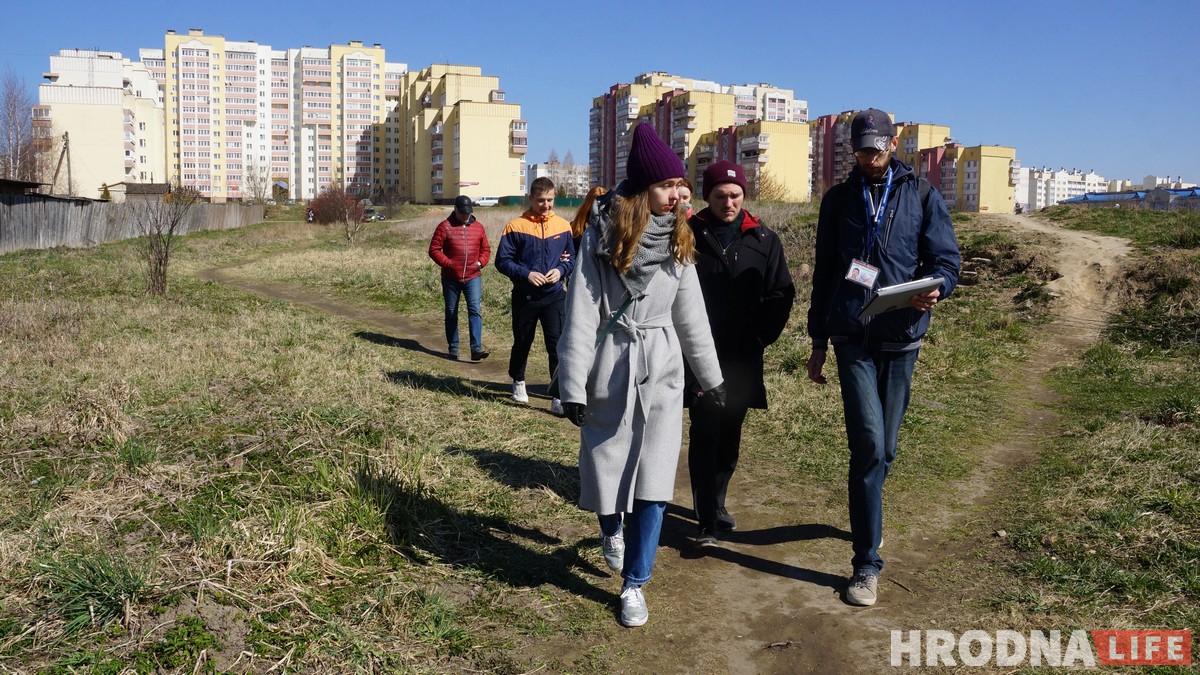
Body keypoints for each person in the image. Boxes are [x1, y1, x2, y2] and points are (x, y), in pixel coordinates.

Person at [557, 123, 725, 628]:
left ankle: (635, 584)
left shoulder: (679, 237)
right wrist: (572, 384)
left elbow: (691, 314)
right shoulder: (600, 238)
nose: (678, 194)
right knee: (605, 472)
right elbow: (582, 311)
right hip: (611, 364)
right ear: (642, 189)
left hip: (662, 372)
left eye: (681, 187)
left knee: (653, 484)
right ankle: (610, 527)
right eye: (668, 186)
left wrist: (711, 379)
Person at [806, 108, 960, 607]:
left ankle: (867, 507)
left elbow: (946, 262)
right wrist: (817, 343)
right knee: (869, 446)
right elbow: (827, 273)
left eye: (878, 147)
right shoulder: (838, 200)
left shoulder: (922, 195)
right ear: (853, 149)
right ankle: (866, 562)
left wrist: (937, 289)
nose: (870, 156)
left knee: (886, 449)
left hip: (902, 336)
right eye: (862, 148)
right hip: (853, 337)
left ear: (894, 145)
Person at [686, 160, 795, 548]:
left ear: (744, 196)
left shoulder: (764, 240)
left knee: (730, 434)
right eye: (720, 196)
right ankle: (705, 520)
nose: (728, 202)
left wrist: (761, 336)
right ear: (707, 196)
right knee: (704, 432)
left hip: (743, 357)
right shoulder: (688, 234)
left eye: (735, 195)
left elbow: (781, 294)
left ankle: (717, 501)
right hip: (698, 355)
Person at [496, 177, 575, 415]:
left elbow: (571, 258)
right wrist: (526, 274)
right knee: (522, 341)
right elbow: (502, 261)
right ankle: (518, 380)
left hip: (554, 295)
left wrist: (560, 270)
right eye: (541, 200)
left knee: (558, 346)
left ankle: (557, 394)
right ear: (530, 198)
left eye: (550, 200)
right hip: (525, 296)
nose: (546, 205)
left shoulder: (563, 226)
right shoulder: (515, 226)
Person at [428, 195, 491, 361]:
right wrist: (448, 264)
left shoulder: (478, 227)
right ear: (455, 209)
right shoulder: (444, 227)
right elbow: (434, 249)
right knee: (451, 312)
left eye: (468, 212)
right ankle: (453, 347)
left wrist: (480, 263)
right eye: (463, 212)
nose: (466, 216)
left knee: (475, 310)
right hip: (451, 278)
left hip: (473, 276)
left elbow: (486, 250)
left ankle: (476, 348)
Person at [571, 186, 608, 254]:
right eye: (596, 205)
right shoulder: (574, 227)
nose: (600, 209)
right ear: (589, 205)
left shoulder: (612, 227)